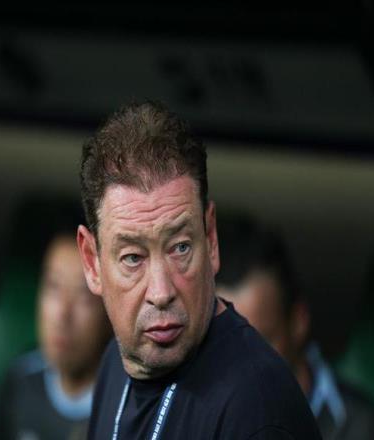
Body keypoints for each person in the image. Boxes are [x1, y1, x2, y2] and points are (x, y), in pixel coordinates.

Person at [76, 101, 321, 439]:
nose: (161, 292)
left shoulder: (256, 411)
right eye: (133, 258)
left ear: (211, 239)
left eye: (180, 248)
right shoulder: (116, 362)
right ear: (92, 262)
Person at [215, 214, 374, 440]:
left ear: (298, 321)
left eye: (257, 344)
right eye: (221, 346)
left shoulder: (362, 426)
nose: (238, 366)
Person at [0, 224, 112, 440]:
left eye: (83, 295)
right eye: (53, 287)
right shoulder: (21, 379)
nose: (62, 314)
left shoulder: (122, 406)